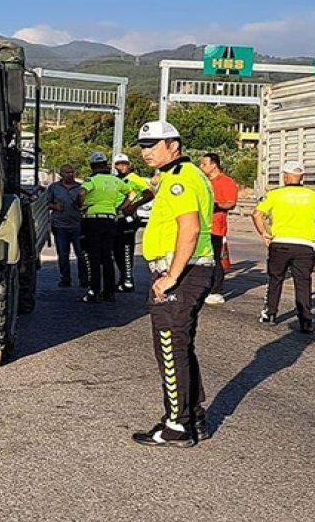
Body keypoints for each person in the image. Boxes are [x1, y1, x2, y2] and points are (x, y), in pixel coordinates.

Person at [130, 121, 215, 448]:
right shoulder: (185, 176)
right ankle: (192, 416)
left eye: (154, 144)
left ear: (174, 146)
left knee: (169, 347)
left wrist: (171, 277)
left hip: (183, 273)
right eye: (143, 145)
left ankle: (177, 425)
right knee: (181, 347)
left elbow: (189, 229)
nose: (146, 151)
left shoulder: (180, 180)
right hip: (191, 271)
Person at [251, 160, 315, 333]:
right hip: (305, 246)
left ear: (285, 176)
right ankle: (305, 319)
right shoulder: (314, 196)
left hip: (280, 243)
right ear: (302, 177)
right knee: (303, 282)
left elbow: (257, 214)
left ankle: (270, 313)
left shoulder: (275, 195)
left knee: (275, 279)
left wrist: (264, 233)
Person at [76, 152, 135, 303]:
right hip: (110, 220)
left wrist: (81, 205)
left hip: (92, 220)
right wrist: (120, 208)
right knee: (108, 257)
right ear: (106, 165)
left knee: (94, 257)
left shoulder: (92, 180)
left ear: (92, 166)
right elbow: (131, 194)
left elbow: (81, 193)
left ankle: (94, 291)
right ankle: (109, 292)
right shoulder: (115, 181)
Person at [199, 153, 238, 305]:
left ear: (213, 165)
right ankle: (203, 288)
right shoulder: (204, 182)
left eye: (204, 164)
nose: (201, 167)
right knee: (201, 260)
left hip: (215, 227)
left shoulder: (226, 182)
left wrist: (217, 205)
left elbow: (231, 202)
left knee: (214, 259)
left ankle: (217, 290)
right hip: (200, 226)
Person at [112, 153, 154, 293]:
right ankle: (122, 278)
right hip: (117, 218)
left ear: (129, 164)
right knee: (117, 251)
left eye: (124, 164)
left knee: (126, 250)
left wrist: (134, 205)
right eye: (119, 164)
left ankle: (128, 280)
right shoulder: (117, 179)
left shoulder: (134, 178)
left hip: (128, 218)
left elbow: (149, 194)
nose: (121, 167)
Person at [45, 165, 88, 287]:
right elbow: (47, 202)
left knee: (81, 254)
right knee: (63, 254)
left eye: (71, 172)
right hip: (60, 225)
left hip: (77, 225)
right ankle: (65, 279)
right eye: (66, 172)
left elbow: (86, 203)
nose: (69, 174)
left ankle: (84, 279)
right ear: (61, 174)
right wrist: (55, 206)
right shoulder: (54, 188)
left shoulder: (80, 187)